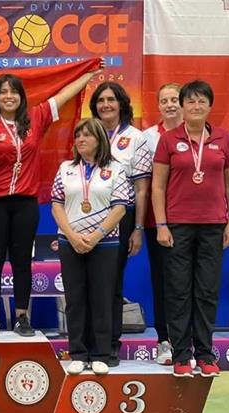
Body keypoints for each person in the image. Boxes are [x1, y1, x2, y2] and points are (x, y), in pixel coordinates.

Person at [0, 66, 102, 338]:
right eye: (3, 92)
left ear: (22, 96)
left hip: (25, 203)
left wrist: (87, 75)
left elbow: (64, 95)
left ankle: (22, 317)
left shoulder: (37, 117)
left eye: (13, 92)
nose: (8, 96)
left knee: (22, 261)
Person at [152, 80, 229, 378]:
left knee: (206, 291)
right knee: (178, 291)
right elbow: (158, 185)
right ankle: (180, 355)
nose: (196, 106)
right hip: (177, 226)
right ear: (184, 107)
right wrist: (161, 224)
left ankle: (204, 354)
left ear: (210, 106)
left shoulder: (224, 139)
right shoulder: (169, 139)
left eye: (202, 101)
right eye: (191, 101)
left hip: (214, 226)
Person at [51, 118, 129, 375]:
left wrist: (96, 235)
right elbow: (56, 205)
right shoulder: (65, 168)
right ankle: (78, 352)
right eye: (78, 135)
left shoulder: (116, 170)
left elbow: (120, 207)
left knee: (102, 298)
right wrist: (72, 235)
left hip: (105, 242)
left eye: (87, 135)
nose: (81, 139)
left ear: (100, 140)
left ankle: (100, 354)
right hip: (69, 241)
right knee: (75, 298)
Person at [89, 82, 152, 365]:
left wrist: (138, 228)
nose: (105, 105)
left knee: (111, 282)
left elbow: (141, 189)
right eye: (100, 100)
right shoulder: (87, 135)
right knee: (90, 281)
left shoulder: (136, 138)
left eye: (111, 100)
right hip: (88, 216)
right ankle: (89, 341)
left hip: (122, 217)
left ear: (122, 104)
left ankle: (110, 342)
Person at [143, 83, 183, 365]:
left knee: (188, 283)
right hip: (156, 221)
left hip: (191, 220)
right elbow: (145, 184)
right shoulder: (147, 138)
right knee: (163, 281)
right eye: (164, 100)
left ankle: (188, 340)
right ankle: (164, 341)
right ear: (158, 106)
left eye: (175, 99)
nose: (170, 104)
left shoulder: (200, 134)